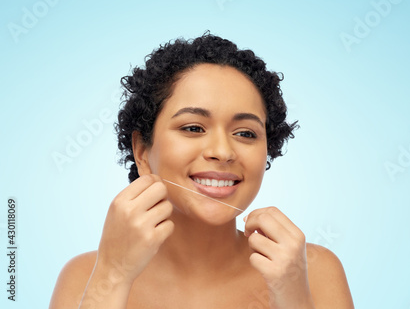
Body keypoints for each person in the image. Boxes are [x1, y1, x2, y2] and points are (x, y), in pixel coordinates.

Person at [49, 32, 354, 309]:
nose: (222, 152)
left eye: (246, 133)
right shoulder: (84, 277)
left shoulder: (313, 271)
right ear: (142, 150)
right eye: (193, 127)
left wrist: (293, 298)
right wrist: (113, 275)